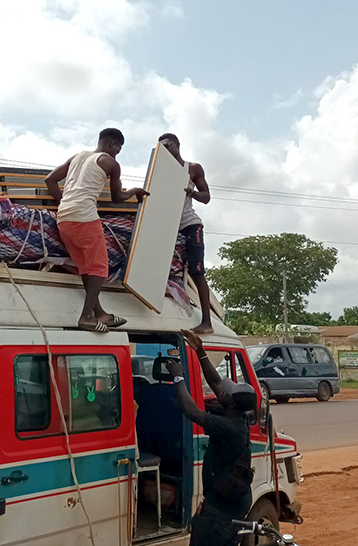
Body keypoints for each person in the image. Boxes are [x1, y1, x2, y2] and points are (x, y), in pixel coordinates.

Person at [45, 128, 148, 333]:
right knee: (100, 267)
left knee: (87, 267)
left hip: (64, 218)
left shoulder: (78, 157)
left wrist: (65, 202)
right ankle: (86, 317)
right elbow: (117, 198)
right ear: (112, 144)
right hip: (84, 217)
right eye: (118, 149)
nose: (117, 153)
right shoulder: (110, 163)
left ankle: (100, 313)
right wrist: (136, 191)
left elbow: (50, 179)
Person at [167, 329, 256, 546]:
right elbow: (217, 383)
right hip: (228, 501)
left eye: (226, 392)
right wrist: (200, 351)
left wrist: (178, 376)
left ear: (231, 402)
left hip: (222, 512)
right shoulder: (237, 414)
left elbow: (192, 411)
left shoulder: (229, 426)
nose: (220, 391)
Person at [158, 133, 213, 334]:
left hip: (190, 226)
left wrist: (191, 192)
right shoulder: (161, 173)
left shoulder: (192, 169)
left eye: (166, 146)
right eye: (160, 148)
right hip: (170, 228)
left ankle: (207, 322)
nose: (164, 151)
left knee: (197, 272)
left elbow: (206, 197)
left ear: (176, 145)